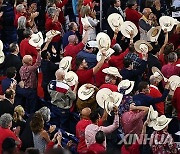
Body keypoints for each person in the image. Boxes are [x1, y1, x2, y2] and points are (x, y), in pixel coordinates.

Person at [19, 48, 41, 113]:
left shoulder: (21, 68)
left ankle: (27, 115)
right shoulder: (30, 69)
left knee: (27, 104)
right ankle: (31, 118)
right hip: (31, 90)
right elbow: (38, 64)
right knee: (32, 106)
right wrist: (39, 53)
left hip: (25, 89)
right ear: (29, 62)